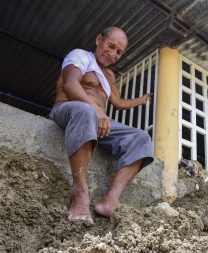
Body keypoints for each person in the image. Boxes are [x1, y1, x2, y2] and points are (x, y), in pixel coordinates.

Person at [49, 26, 154, 223]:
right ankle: (80, 193)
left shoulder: (110, 76)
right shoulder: (80, 55)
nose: (113, 53)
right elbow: (70, 85)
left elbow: (119, 103)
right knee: (86, 110)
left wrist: (141, 100)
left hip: (96, 120)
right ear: (99, 40)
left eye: (119, 52)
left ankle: (110, 200)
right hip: (68, 110)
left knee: (142, 138)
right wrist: (96, 110)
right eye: (110, 46)